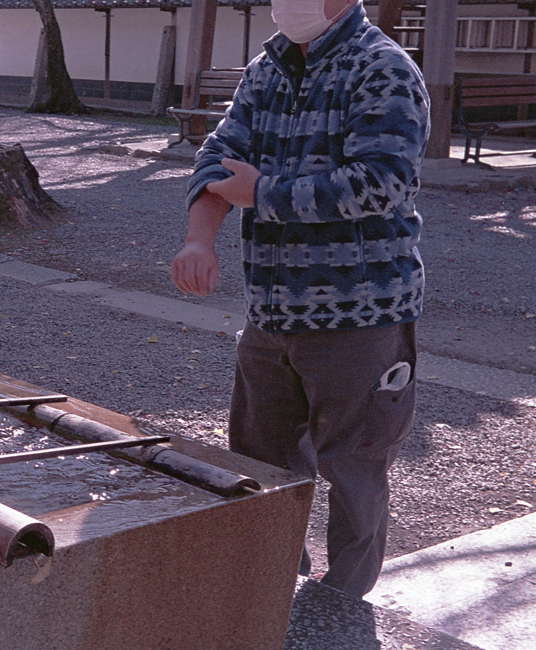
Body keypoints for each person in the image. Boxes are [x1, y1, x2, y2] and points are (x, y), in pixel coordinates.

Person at [171, 0, 429, 598]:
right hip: (270, 311)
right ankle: (269, 582)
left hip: (362, 312)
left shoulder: (381, 67)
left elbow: (382, 183)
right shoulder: (267, 68)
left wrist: (261, 191)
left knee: (355, 465)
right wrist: (198, 240)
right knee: (258, 459)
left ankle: (343, 604)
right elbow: (215, 159)